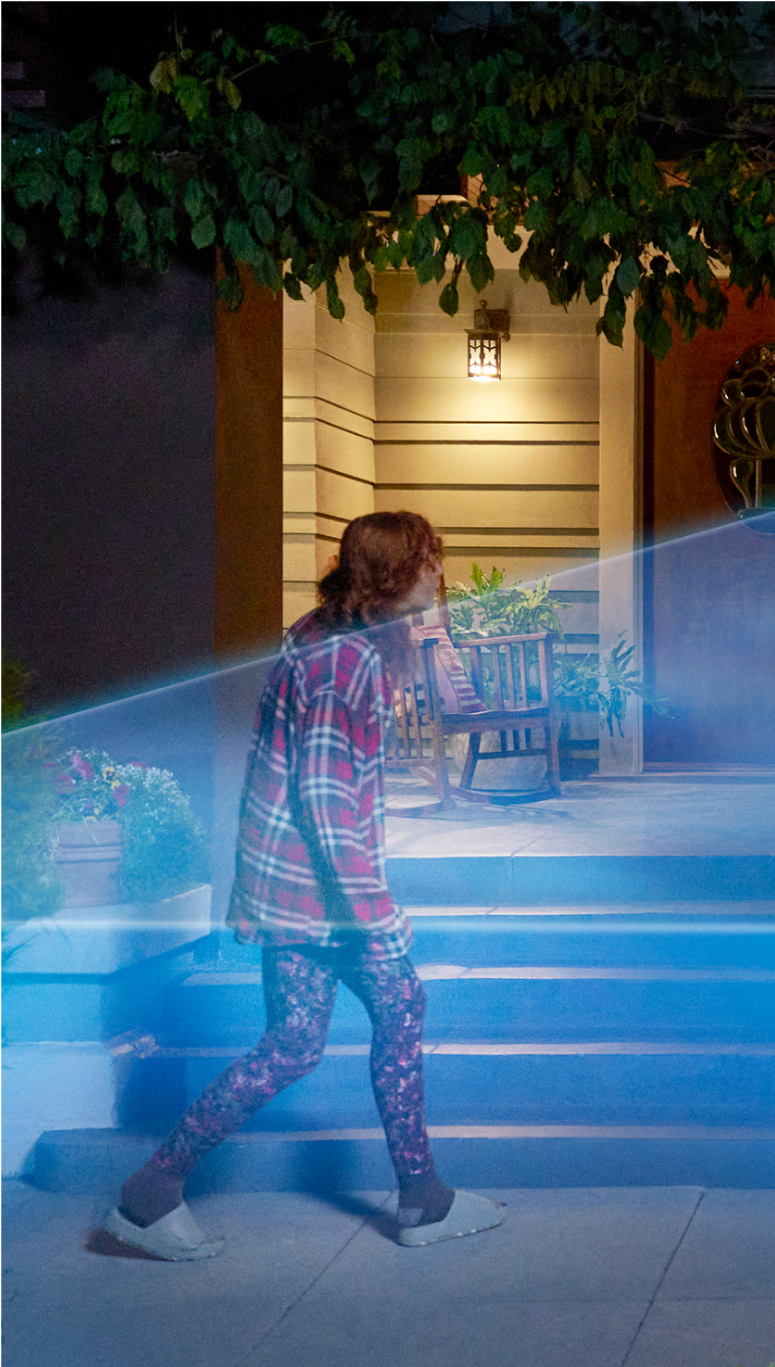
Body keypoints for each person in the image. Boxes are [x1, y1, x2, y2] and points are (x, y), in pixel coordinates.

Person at [102, 511, 503, 1260]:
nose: (437, 577)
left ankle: (152, 1192)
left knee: (294, 1043)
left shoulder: (323, 633)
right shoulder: (345, 662)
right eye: (426, 564)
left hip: (288, 889)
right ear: (393, 576)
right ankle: (420, 1198)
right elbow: (324, 800)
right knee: (391, 1005)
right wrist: (377, 913)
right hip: (322, 897)